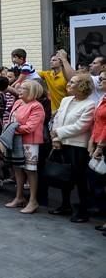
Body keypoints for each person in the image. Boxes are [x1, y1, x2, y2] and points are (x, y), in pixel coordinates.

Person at [49, 74, 95, 222]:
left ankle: (83, 211)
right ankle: (65, 205)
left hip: (77, 146)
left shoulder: (90, 104)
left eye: (73, 82)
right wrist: (56, 139)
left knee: (80, 179)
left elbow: (81, 126)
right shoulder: (65, 100)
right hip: (62, 143)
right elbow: (57, 119)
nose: (69, 84)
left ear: (82, 86)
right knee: (64, 177)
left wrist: (58, 133)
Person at [4, 80, 46, 214]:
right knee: (17, 169)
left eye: (23, 89)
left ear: (32, 91)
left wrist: (11, 129)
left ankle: (33, 200)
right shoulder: (18, 103)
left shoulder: (37, 106)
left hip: (30, 142)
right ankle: (19, 197)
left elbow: (30, 127)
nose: (19, 91)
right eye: (20, 88)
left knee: (30, 170)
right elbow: (10, 119)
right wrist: (11, 127)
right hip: (16, 140)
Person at [89, 70, 106, 234]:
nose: (99, 81)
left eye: (103, 79)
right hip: (97, 141)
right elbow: (97, 122)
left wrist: (100, 146)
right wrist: (91, 142)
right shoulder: (102, 99)